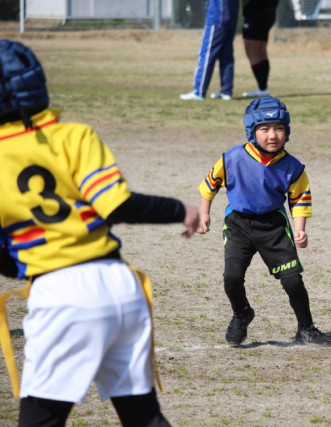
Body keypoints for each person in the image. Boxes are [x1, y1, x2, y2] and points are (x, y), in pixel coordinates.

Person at [0, 39, 200, 425]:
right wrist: (181, 209)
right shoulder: (74, 135)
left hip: (60, 295)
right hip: (118, 285)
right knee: (144, 418)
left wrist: (19, 262)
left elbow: (5, 259)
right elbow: (117, 204)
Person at [196, 95, 331, 347]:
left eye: (279, 128)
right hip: (238, 224)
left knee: (292, 280)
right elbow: (209, 186)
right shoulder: (232, 158)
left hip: (274, 227)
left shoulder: (293, 167)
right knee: (232, 277)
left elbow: (299, 199)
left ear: (287, 131)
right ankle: (241, 313)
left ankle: (306, 328)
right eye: (264, 129)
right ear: (252, 131)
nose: (273, 135)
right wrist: (204, 214)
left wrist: (300, 229)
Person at [180, 0, 239, 101]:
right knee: (226, 56)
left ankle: (199, 91)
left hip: (217, 18)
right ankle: (226, 92)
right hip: (230, 18)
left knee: (206, 55)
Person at [241, 0, 278, 98]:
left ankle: (262, 88)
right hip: (268, 13)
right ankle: (263, 88)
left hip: (255, 13)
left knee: (252, 51)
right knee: (261, 51)